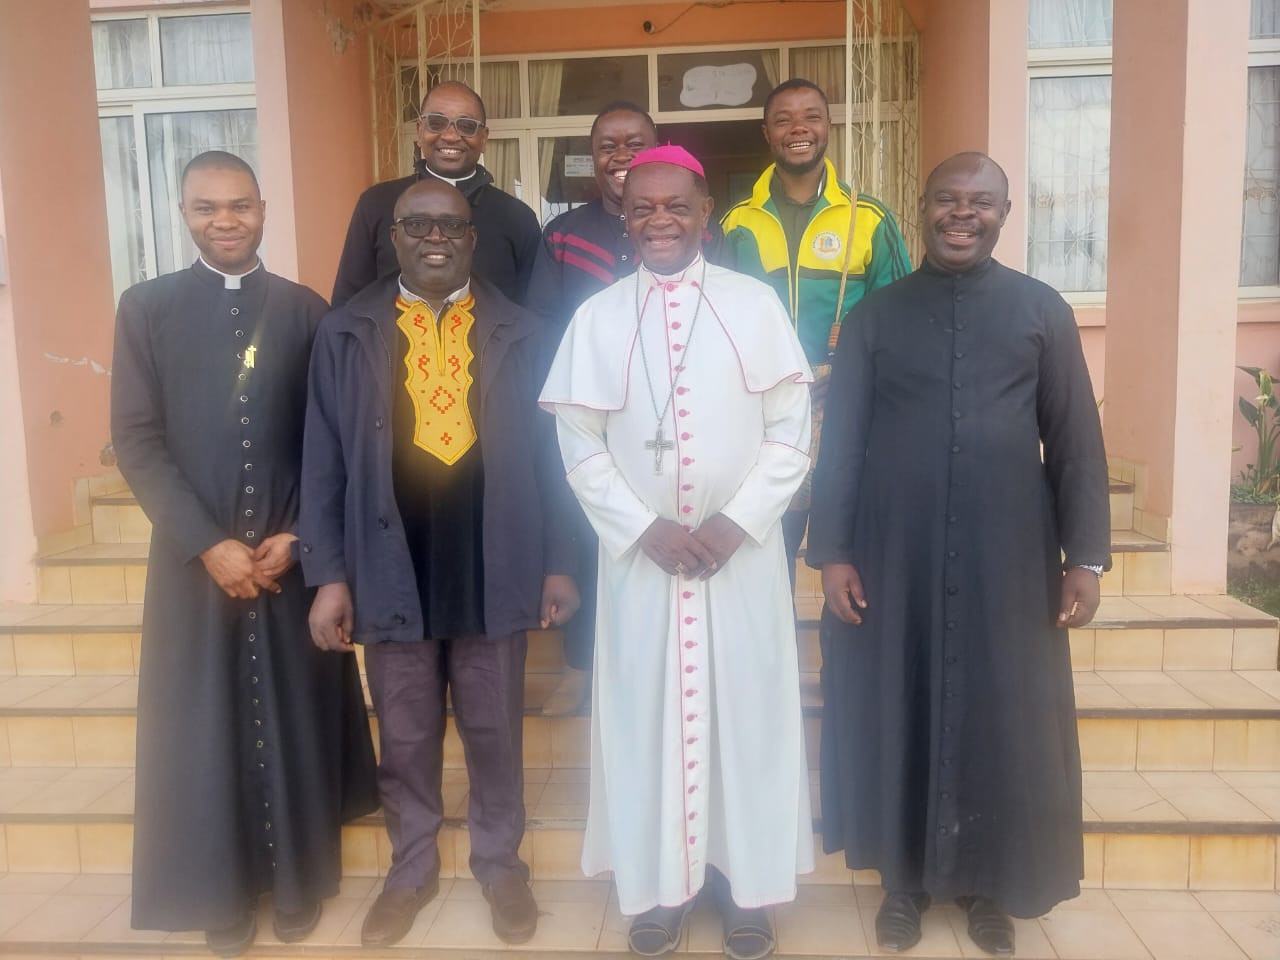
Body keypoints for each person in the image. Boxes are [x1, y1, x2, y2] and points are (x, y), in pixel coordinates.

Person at [807, 152, 1110, 955]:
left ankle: (987, 888)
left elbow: (1075, 439)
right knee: (897, 705)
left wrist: (1086, 557)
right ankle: (903, 885)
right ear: (923, 205)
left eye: (980, 201)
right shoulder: (874, 316)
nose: (962, 213)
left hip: (1008, 555)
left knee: (1000, 716)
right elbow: (842, 443)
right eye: (947, 198)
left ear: (1006, 212)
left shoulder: (1042, 310)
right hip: (894, 552)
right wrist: (832, 550)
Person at [540, 145, 814, 960]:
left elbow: (792, 433)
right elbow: (578, 443)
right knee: (643, 725)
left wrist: (737, 522)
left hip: (741, 562)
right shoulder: (597, 318)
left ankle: (745, 889)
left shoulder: (754, 305)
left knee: (749, 721)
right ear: (624, 220)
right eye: (642, 209)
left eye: (675, 207)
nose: (659, 221)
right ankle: (660, 886)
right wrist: (640, 527)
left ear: (705, 214)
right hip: (642, 567)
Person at [110, 151, 378, 956]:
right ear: (184, 213)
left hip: (288, 559)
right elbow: (136, 439)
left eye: (239, 206)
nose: (224, 220)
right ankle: (218, 896)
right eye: (206, 207)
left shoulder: (305, 310)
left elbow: (329, 434)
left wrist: (299, 533)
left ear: (263, 210)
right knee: (203, 730)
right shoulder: (146, 309)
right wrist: (207, 543)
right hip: (196, 565)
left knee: (295, 717)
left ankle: (298, 883)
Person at [301, 179, 580, 949]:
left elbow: (558, 460)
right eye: (418, 224)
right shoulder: (345, 332)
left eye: (451, 226)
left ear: (471, 240)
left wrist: (559, 561)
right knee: (407, 733)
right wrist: (328, 575)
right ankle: (410, 870)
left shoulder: (523, 330)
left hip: (493, 558)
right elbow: (322, 460)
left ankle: (500, 865)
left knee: (495, 731)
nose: (435, 237)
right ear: (393, 236)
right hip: (390, 561)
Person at [720, 78, 911, 583]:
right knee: (766, 553)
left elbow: (900, 317)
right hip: (763, 413)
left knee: (852, 552)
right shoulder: (737, 223)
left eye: (811, 117)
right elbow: (717, 321)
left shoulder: (868, 218)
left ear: (828, 127)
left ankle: (849, 638)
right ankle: (771, 635)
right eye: (783, 120)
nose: (798, 129)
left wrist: (852, 375)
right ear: (766, 132)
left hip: (848, 409)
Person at [523, 100, 659, 716]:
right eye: (609, 145)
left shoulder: (687, 229)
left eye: (635, 143)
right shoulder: (564, 235)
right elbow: (544, 327)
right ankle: (582, 667)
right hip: (591, 416)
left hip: (667, 416)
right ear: (592, 156)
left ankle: (655, 669)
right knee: (588, 537)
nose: (621, 155)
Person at [331, 79, 540, 307]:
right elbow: (347, 304)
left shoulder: (517, 218)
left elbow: (532, 315)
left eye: (466, 126)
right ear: (420, 131)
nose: (450, 136)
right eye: (436, 123)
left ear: (484, 138)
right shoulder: (376, 203)